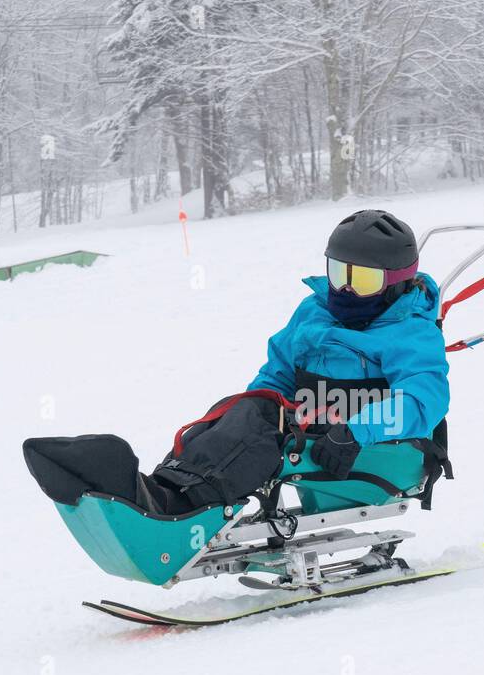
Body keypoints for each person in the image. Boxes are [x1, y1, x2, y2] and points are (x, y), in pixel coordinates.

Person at [24, 209, 450, 515]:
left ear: (396, 284)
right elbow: (279, 371)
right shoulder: (315, 311)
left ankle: (180, 508)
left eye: (364, 281)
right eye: (339, 273)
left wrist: (356, 429)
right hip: (310, 429)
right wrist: (255, 408)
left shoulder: (410, 333)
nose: (346, 290)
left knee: (257, 428)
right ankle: (161, 488)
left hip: (372, 449)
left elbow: (422, 400)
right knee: (240, 411)